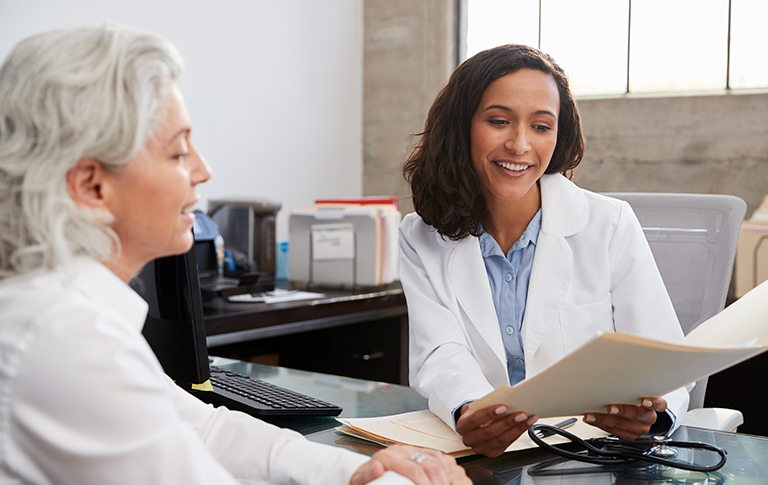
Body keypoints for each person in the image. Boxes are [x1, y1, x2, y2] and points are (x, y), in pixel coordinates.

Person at [0, 25, 471, 485]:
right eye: (178, 152)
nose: (204, 170)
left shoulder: (66, 313)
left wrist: (357, 470)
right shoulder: (67, 338)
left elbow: (203, 427)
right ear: (92, 186)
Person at [399, 44, 690, 457]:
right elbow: (439, 352)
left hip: (592, 455)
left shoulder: (608, 224)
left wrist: (650, 416)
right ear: (461, 127)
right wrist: (471, 408)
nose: (519, 145)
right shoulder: (420, 235)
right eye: (499, 121)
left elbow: (663, 355)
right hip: (485, 457)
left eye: (541, 126)